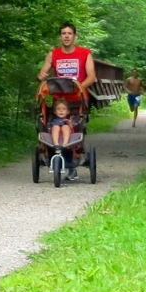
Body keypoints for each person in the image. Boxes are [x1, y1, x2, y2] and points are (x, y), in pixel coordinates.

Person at [38, 22, 96, 180]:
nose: (66, 36)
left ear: (75, 36)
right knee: (50, 125)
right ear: (60, 36)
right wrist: (42, 75)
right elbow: (43, 72)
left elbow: (92, 77)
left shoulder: (85, 53)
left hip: (78, 100)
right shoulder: (53, 54)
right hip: (60, 102)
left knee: (76, 128)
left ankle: (74, 159)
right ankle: (52, 155)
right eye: (63, 33)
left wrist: (79, 88)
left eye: (69, 33)